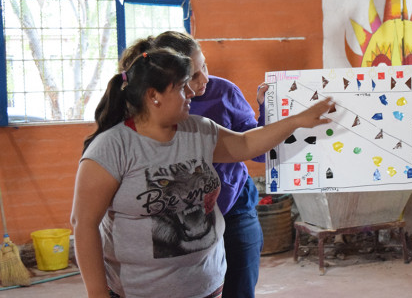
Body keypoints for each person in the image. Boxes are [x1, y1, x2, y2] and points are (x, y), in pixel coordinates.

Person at [70, 46, 335, 298]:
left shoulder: (199, 130)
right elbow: (84, 225)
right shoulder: (112, 147)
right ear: (154, 96)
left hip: (207, 286)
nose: (192, 93)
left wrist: (297, 121)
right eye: (183, 87)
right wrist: (97, 293)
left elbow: (246, 144)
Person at [141, 31, 267, 297]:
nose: (205, 79)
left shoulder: (224, 92)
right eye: (193, 75)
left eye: (205, 66)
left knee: (240, 285)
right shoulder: (147, 105)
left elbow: (257, 151)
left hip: (233, 205)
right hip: (180, 214)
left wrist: (268, 111)